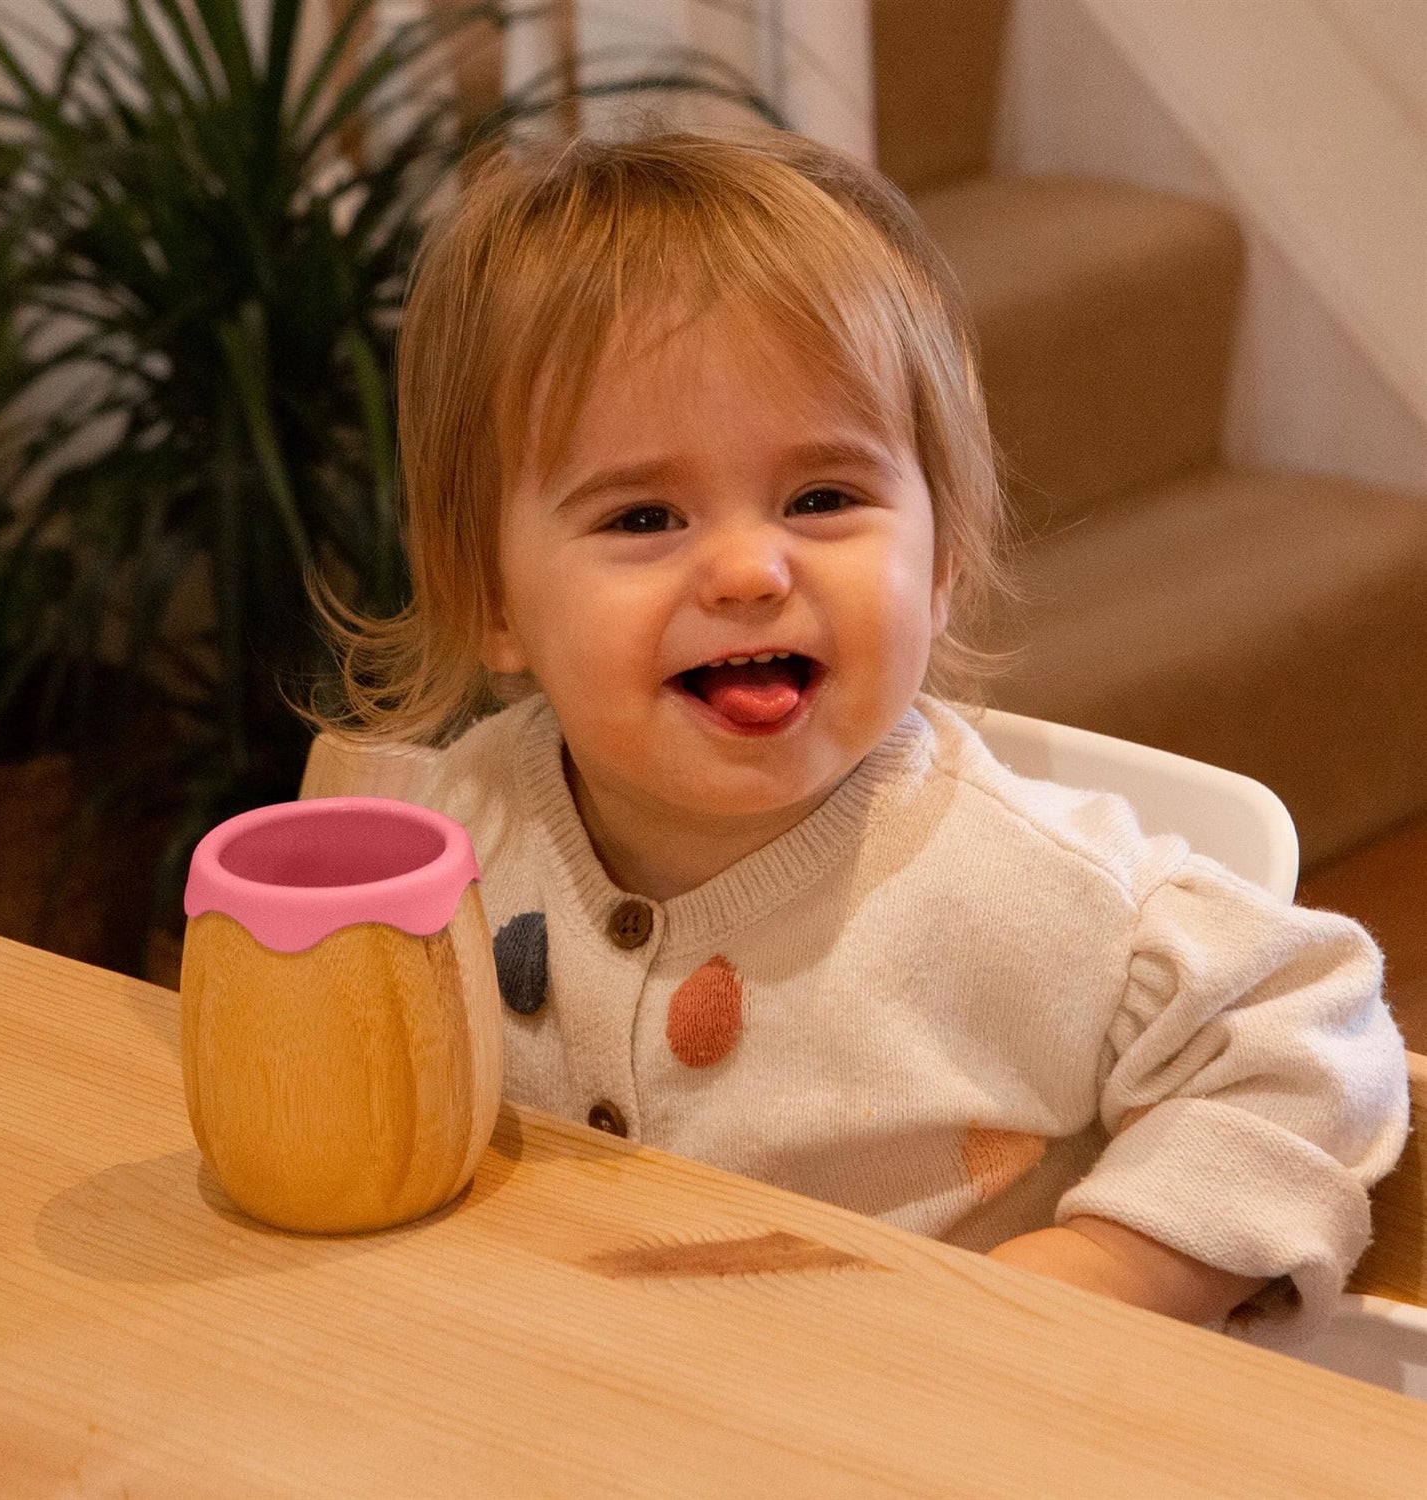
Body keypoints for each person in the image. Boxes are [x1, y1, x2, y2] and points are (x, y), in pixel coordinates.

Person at [305, 127, 1408, 1330]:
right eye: (644, 517)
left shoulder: (1031, 889)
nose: (747, 570)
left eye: (822, 498)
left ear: (940, 563)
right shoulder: (454, 831)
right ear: (490, 597)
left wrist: (1116, 1271)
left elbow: (1313, 1041)